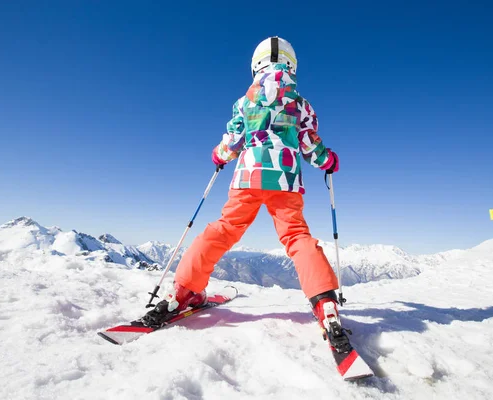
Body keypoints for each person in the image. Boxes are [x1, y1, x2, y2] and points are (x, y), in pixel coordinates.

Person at [144, 37, 346, 348]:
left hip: (247, 177)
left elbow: (234, 139)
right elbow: (308, 144)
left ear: (255, 65)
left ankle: (184, 289)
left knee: (224, 229)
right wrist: (327, 160)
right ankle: (324, 302)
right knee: (295, 236)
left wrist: (219, 154)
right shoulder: (302, 104)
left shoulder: (245, 101)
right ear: (293, 66)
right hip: (285, 180)